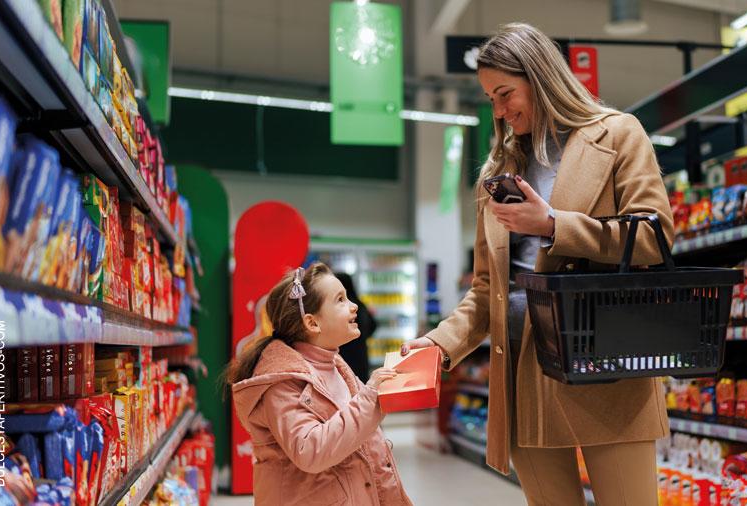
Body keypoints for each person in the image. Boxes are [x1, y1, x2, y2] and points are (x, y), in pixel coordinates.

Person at [402, 23, 674, 506]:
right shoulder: (498, 172)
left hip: (604, 361)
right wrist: (437, 345)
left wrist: (552, 224)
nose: (499, 111)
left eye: (505, 93)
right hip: (526, 374)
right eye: (490, 99)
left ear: (540, 76)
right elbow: (488, 289)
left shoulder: (616, 135)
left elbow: (653, 237)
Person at [228, 263, 412, 505]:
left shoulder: (337, 367)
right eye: (341, 300)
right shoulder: (283, 382)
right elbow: (310, 450)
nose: (354, 306)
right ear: (312, 323)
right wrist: (370, 398)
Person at [336, 272, 378, 383]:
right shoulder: (361, 304)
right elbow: (373, 325)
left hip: (346, 354)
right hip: (361, 353)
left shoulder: (342, 309)